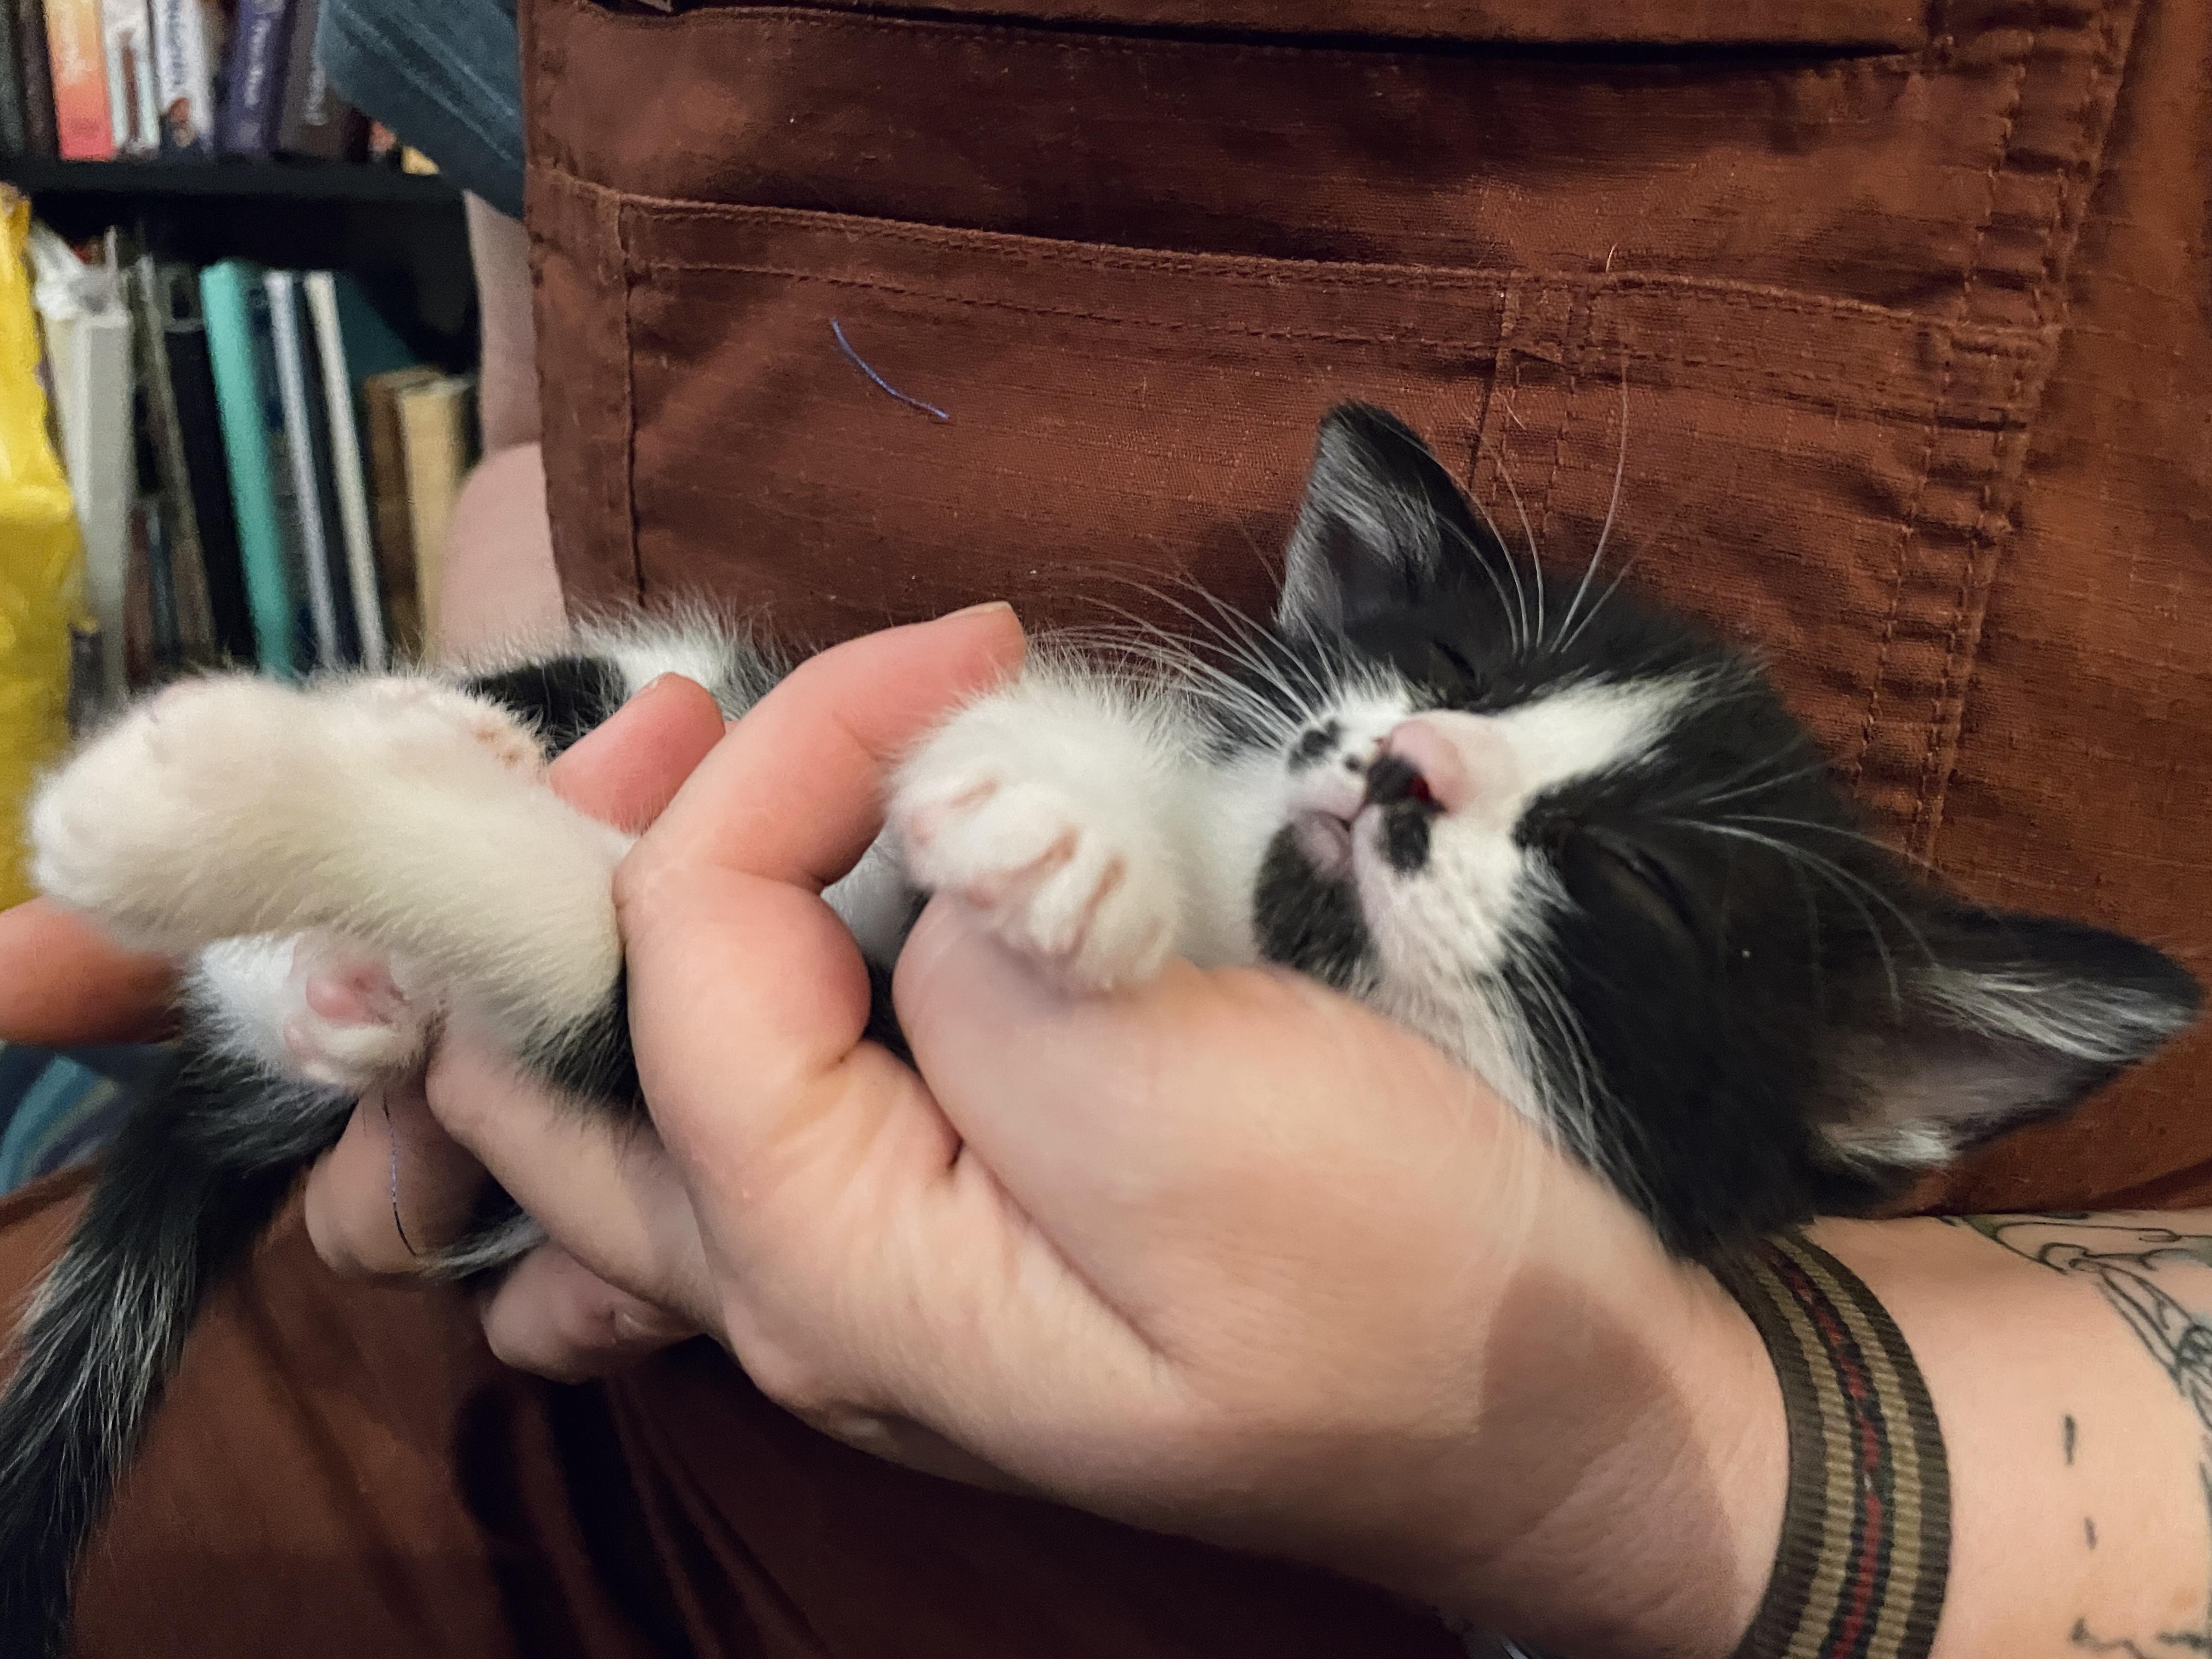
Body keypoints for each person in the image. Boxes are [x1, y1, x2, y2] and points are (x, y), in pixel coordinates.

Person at [5, 0, 2212, 1655]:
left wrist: (1666, 1459)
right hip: (523, 1376)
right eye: (1442, 695)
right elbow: (536, 462)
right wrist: (548, 778)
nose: (1416, 755)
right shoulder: (1160, 809)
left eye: (1622, 869)